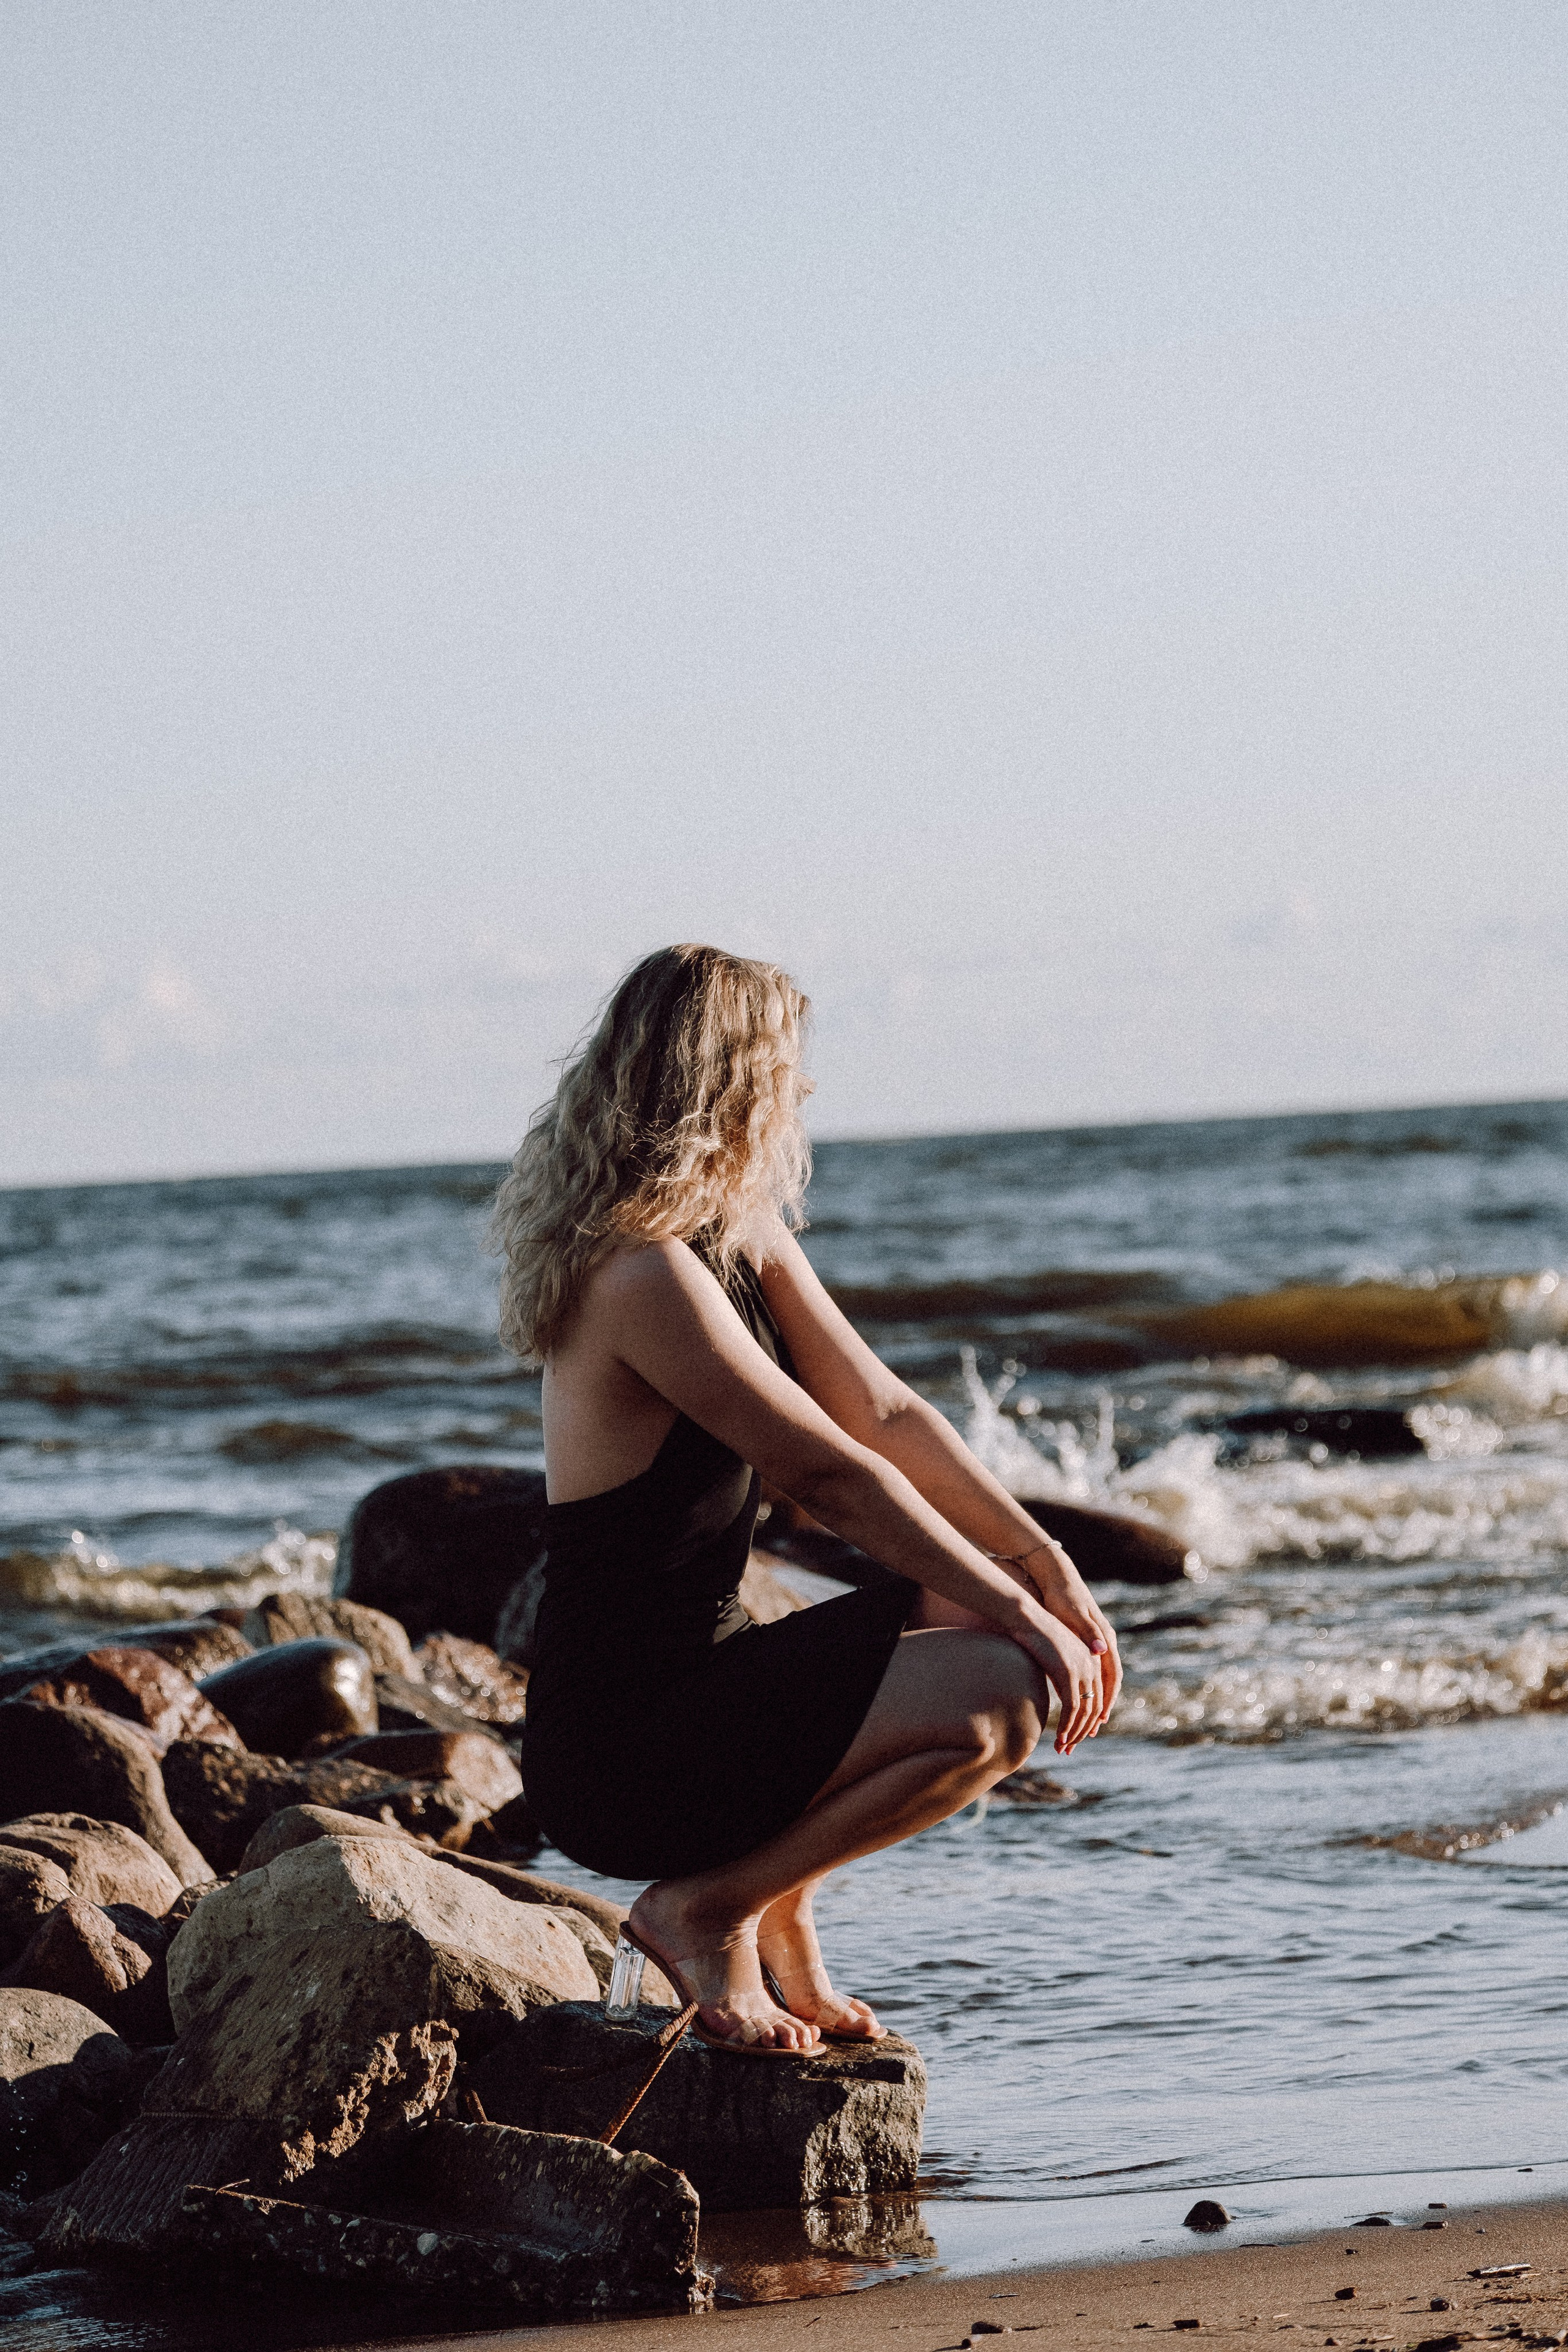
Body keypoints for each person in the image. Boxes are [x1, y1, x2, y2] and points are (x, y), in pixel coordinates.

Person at [494, 944, 1121, 2055]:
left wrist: (1039, 1565)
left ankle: (782, 1910)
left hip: (709, 1679)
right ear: (732, 1078)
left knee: (980, 1624)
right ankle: (706, 1909)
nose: (806, 1091)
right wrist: (1023, 1617)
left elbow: (883, 1414)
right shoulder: (639, 1275)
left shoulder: (734, 1233)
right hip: (621, 1744)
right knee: (1004, 1688)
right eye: (788, 1065)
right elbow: (832, 1475)